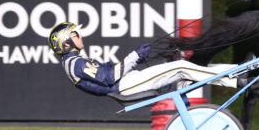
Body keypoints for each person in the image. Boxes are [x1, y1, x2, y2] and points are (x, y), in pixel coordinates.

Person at [48, 22, 239, 98]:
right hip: (127, 85)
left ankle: (237, 70)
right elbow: (108, 77)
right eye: (75, 35)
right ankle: (234, 80)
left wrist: (136, 60)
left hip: (130, 81)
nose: (80, 36)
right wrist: (135, 56)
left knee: (186, 67)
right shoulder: (76, 64)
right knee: (181, 67)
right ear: (66, 44)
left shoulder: (74, 63)